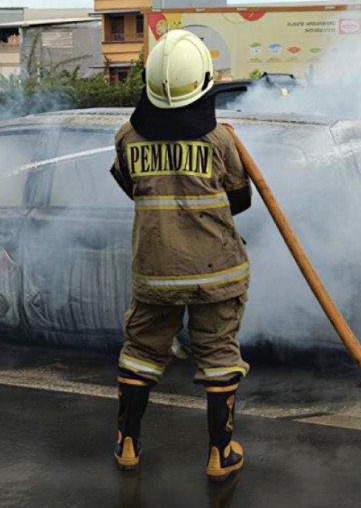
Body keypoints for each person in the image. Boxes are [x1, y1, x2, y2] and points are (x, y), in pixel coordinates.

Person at [109, 29, 252, 482]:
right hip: (216, 272)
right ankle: (220, 453)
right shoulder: (219, 141)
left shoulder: (128, 137)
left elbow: (129, 186)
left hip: (154, 272)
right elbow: (240, 200)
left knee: (140, 353)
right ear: (204, 83)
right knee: (219, 357)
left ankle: (127, 444)